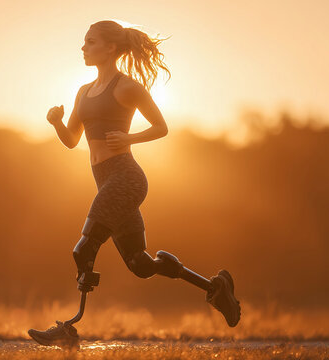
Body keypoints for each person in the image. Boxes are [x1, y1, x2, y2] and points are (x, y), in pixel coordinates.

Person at [28, 20, 240, 347]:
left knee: (84, 248)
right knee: (141, 264)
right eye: (84, 42)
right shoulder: (82, 91)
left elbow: (161, 127)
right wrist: (56, 123)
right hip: (106, 183)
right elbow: (72, 141)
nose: (84, 47)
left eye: (91, 42)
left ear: (111, 47)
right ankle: (215, 288)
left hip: (126, 178)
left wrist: (129, 136)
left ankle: (68, 329)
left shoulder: (127, 87)